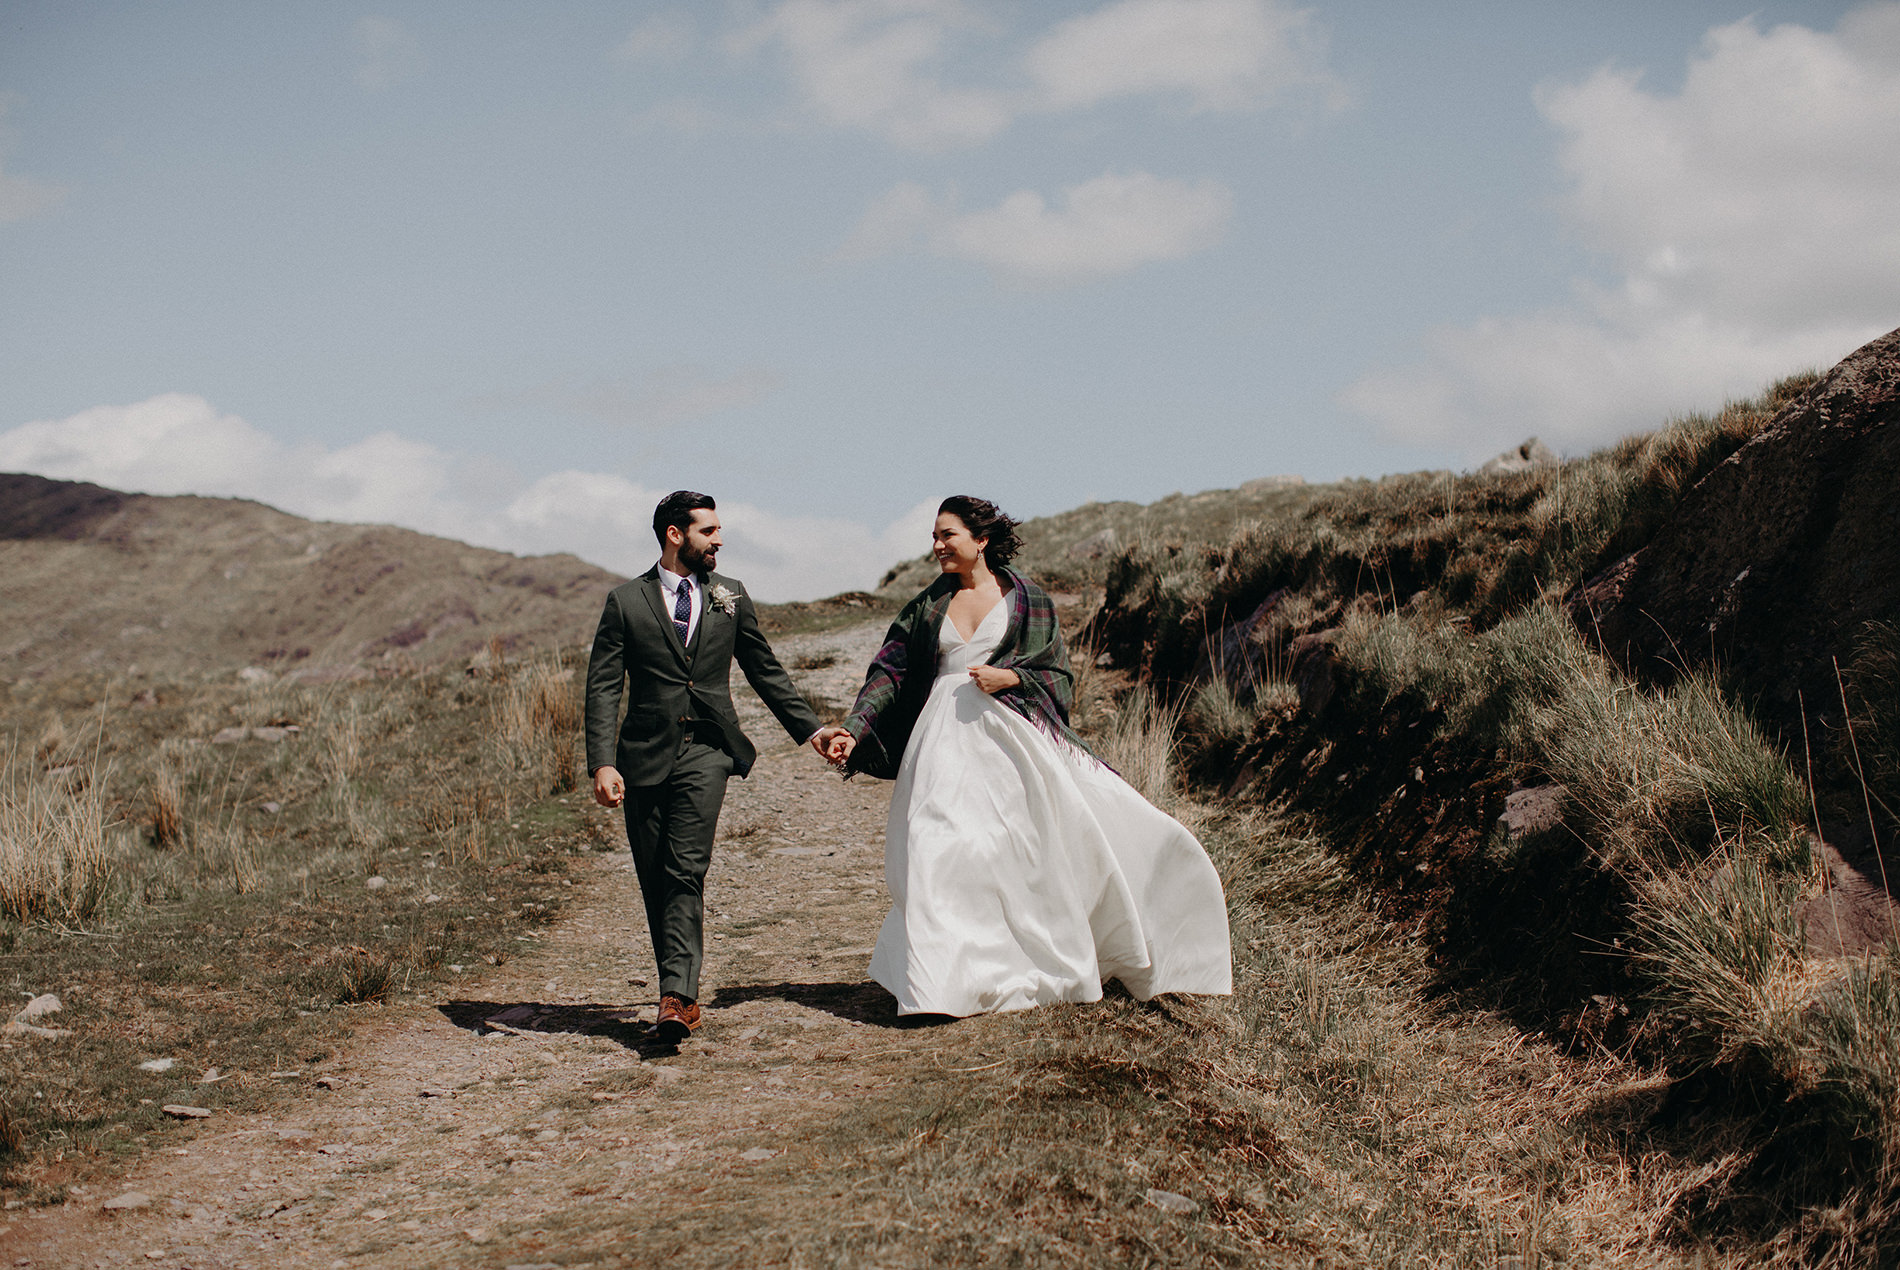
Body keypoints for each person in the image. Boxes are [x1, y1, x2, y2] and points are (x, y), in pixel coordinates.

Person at [826, 495, 1232, 1017]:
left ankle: (1015, 964)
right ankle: (936, 986)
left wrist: (1012, 676)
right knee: (935, 841)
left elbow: (1059, 675)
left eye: (947, 535)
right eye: (934, 536)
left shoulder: (1028, 600)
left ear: (981, 540)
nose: (937, 546)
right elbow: (889, 673)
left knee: (1010, 850)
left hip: (1008, 739)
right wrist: (856, 731)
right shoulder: (925, 607)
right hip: (940, 741)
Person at [585, 491, 835, 1042]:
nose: (719, 539)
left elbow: (764, 671)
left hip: (708, 750)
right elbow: (603, 687)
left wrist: (813, 730)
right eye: (710, 530)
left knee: (684, 867)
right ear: (676, 534)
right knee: (656, 878)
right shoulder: (625, 602)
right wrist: (602, 763)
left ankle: (677, 998)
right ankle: (675, 986)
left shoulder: (732, 596)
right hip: (644, 754)